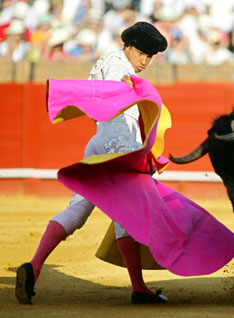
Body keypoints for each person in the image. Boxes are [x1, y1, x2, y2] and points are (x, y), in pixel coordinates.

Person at [15, 21, 170, 305]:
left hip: (100, 144)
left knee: (79, 209)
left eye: (150, 56)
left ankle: (34, 267)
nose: (145, 61)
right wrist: (124, 89)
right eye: (141, 53)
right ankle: (139, 288)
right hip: (117, 145)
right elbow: (110, 95)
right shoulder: (115, 60)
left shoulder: (114, 62)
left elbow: (96, 101)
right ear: (128, 46)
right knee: (128, 216)